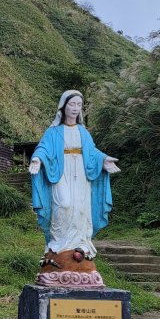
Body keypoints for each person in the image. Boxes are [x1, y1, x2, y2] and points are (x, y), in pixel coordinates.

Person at [29, 91, 119, 283]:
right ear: (64, 107)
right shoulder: (53, 131)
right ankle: (59, 245)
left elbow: (92, 152)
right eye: (72, 104)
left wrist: (104, 159)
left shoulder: (83, 132)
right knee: (64, 205)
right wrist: (37, 159)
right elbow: (43, 148)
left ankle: (79, 245)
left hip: (81, 173)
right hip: (61, 172)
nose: (75, 108)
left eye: (79, 105)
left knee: (80, 209)